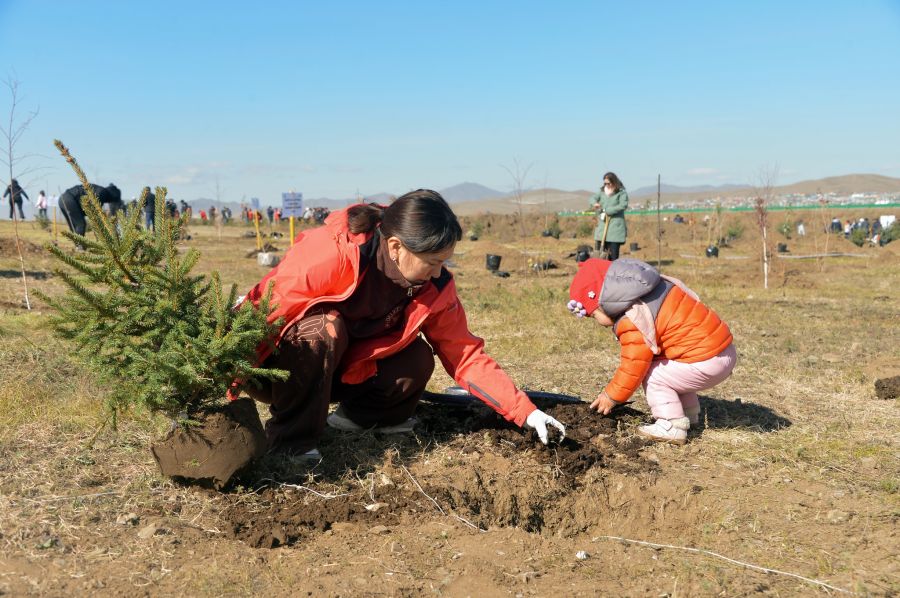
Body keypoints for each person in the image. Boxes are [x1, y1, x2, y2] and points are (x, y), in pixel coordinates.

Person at [238, 189, 566, 460]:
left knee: (417, 358)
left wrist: (527, 412)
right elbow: (265, 309)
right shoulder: (333, 254)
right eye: (433, 262)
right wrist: (217, 372)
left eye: (444, 262)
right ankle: (291, 443)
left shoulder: (434, 287)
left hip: (345, 370)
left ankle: (357, 419)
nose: (438, 272)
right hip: (283, 369)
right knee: (325, 328)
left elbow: (464, 355)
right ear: (396, 247)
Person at [567, 258, 736, 445]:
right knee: (668, 369)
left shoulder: (632, 317)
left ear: (603, 301)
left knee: (652, 373)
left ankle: (671, 426)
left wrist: (611, 396)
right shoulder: (653, 289)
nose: (597, 321)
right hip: (721, 351)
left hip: (706, 360)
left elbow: (633, 366)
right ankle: (688, 414)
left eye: (594, 315)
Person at [589, 172, 628, 260]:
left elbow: (623, 205)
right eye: (605, 183)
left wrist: (608, 211)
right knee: (600, 254)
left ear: (614, 182)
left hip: (615, 228)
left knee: (613, 256)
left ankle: (612, 271)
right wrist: (594, 203)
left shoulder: (621, 193)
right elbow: (592, 198)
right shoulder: (602, 192)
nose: (607, 185)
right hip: (602, 228)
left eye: (608, 183)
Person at [58, 183, 123, 235]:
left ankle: (77, 245)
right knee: (81, 224)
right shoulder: (103, 192)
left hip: (62, 199)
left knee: (74, 224)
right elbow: (94, 212)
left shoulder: (100, 190)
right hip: (69, 200)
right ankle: (80, 246)